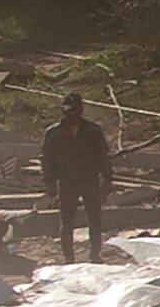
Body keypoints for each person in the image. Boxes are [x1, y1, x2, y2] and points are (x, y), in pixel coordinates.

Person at [40, 96, 115, 261]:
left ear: (81, 110)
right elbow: (47, 159)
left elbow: (102, 155)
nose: (72, 114)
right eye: (69, 111)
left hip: (90, 180)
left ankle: (95, 254)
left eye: (75, 110)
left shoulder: (93, 131)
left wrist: (108, 178)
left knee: (95, 219)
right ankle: (69, 257)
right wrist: (49, 181)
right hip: (67, 182)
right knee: (67, 221)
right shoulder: (54, 133)